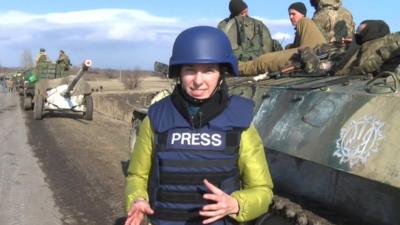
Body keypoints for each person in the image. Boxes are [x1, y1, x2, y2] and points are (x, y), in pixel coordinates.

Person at [124, 26, 274, 225]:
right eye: (190, 70)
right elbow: (137, 175)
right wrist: (137, 198)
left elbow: (262, 190)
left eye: (209, 71)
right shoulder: (157, 117)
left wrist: (236, 204)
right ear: (179, 72)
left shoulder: (240, 120)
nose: (198, 81)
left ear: (221, 73)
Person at [238, 2, 326, 76]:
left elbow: (307, 48)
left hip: (307, 56)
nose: (290, 17)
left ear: (302, 14)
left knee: (263, 61)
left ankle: (237, 67)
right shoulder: (304, 27)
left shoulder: (305, 21)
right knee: (263, 59)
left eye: (293, 14)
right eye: (289, 14)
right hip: (311, 54)